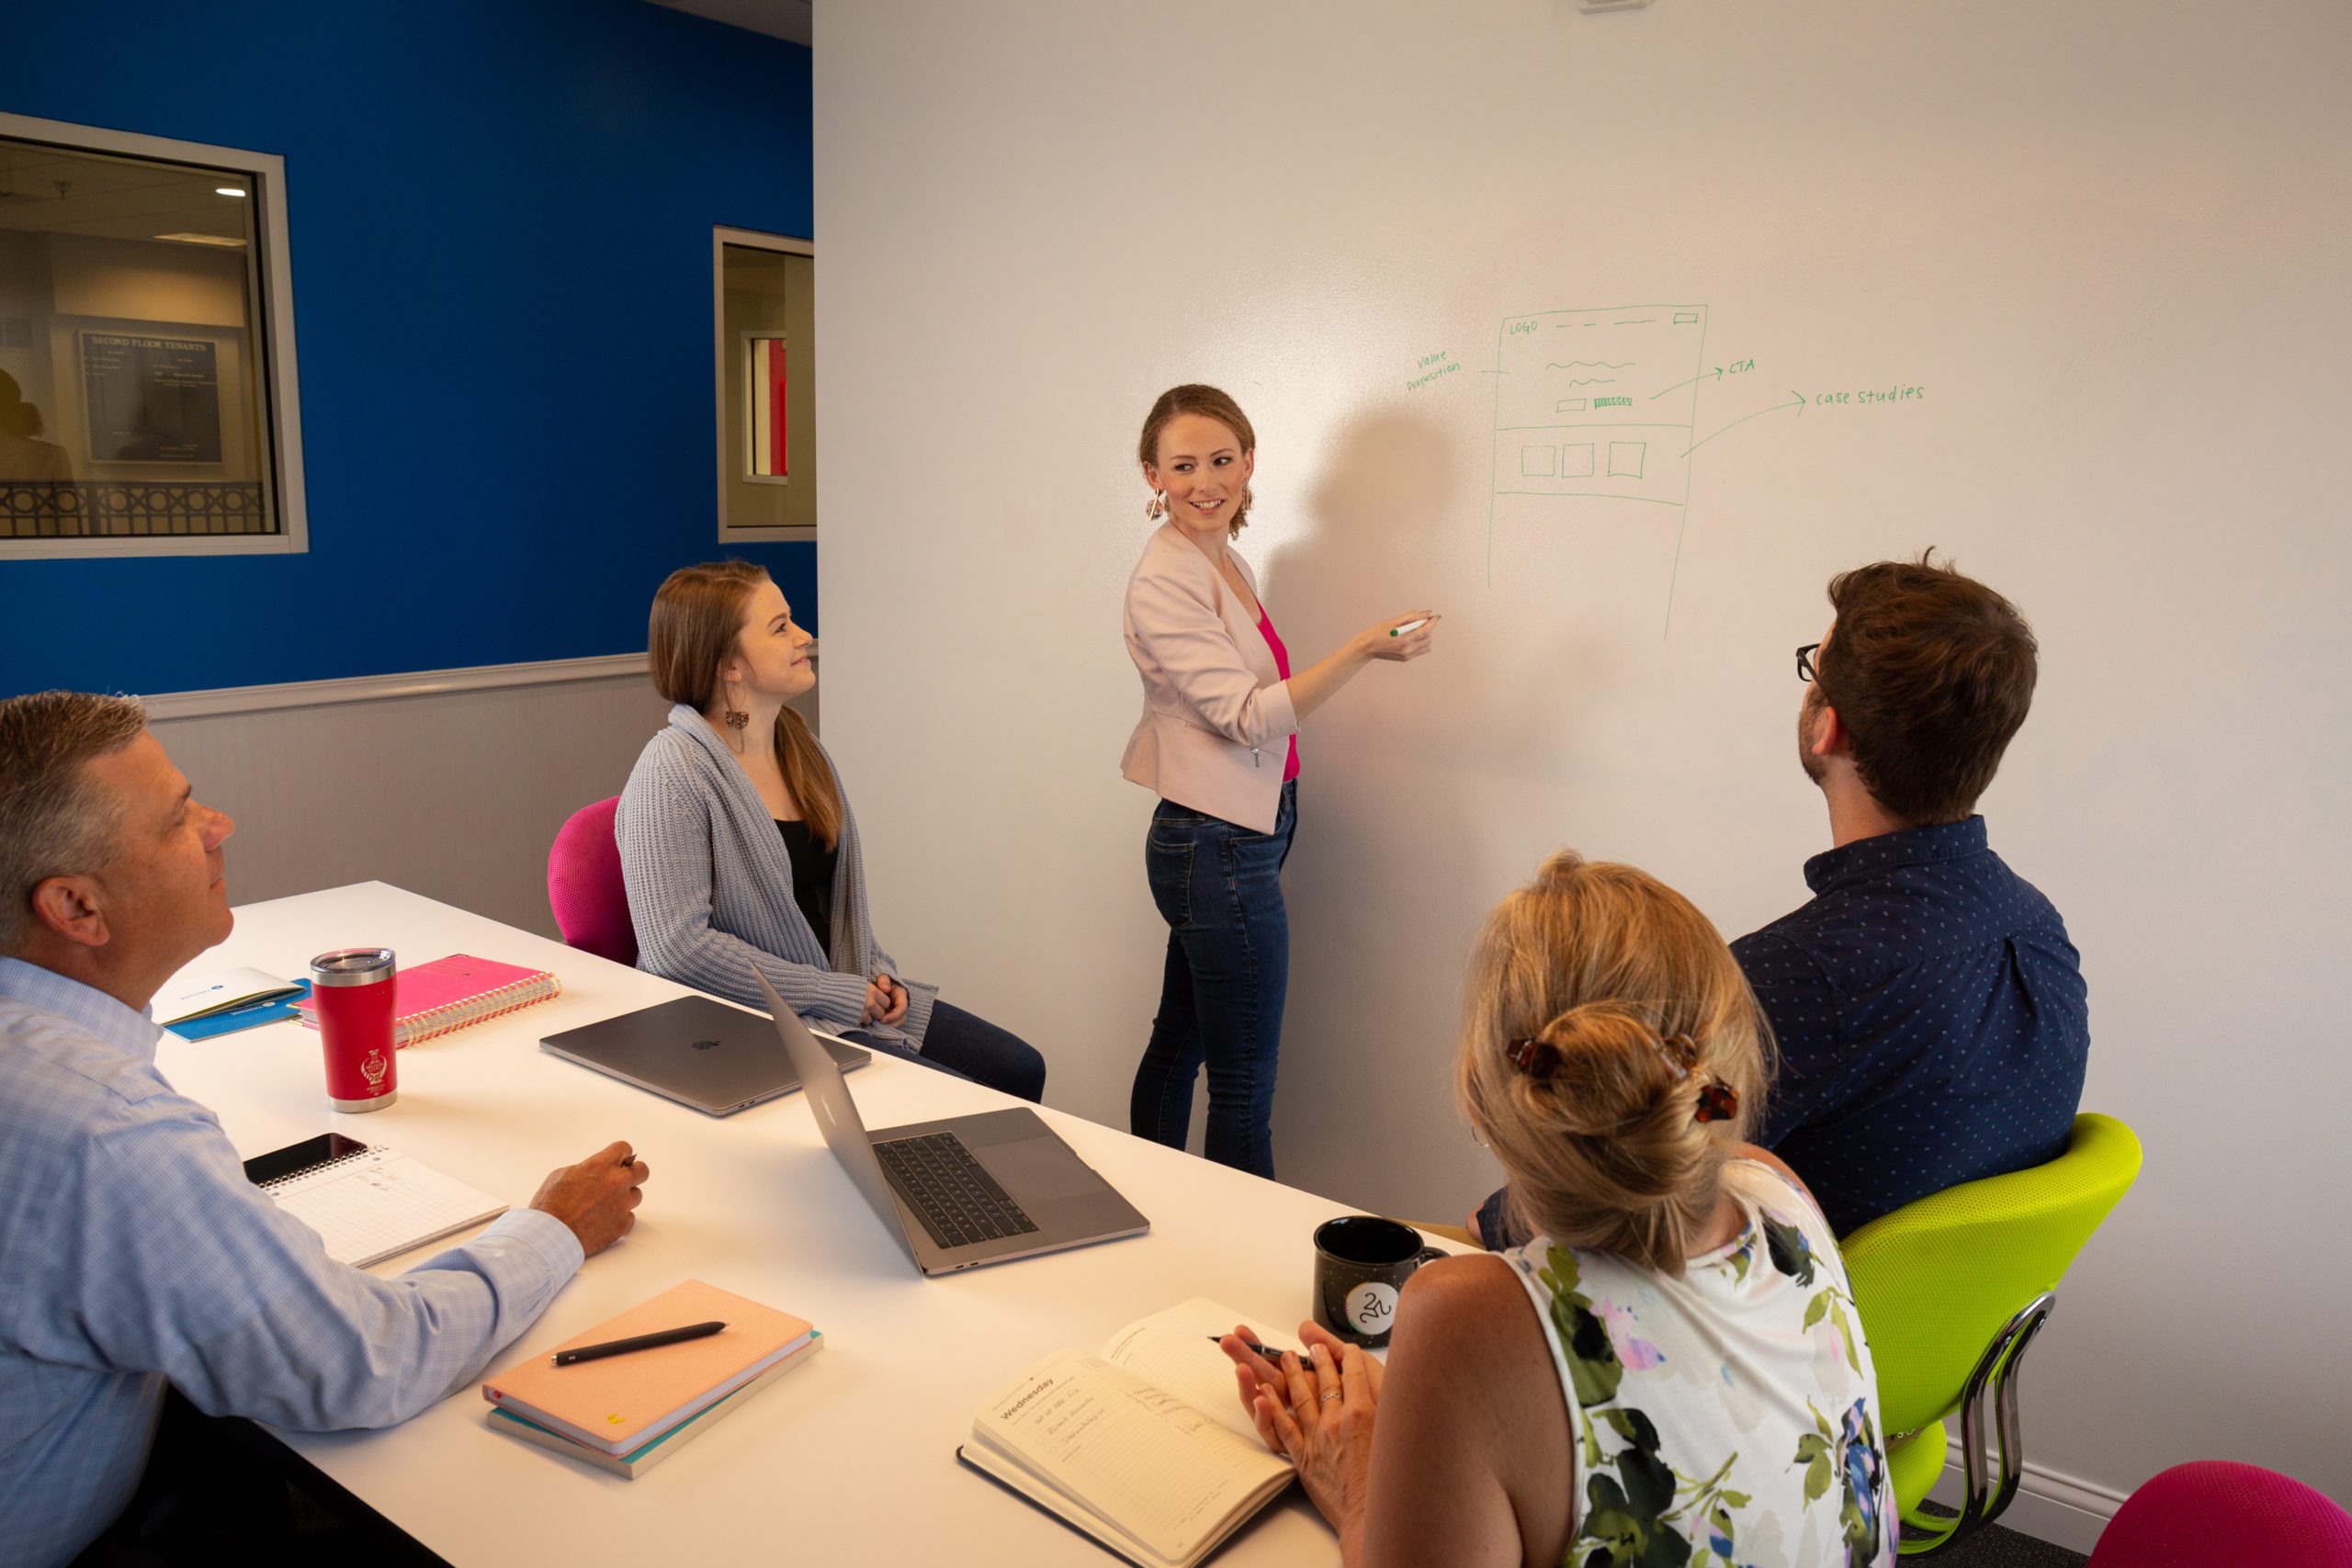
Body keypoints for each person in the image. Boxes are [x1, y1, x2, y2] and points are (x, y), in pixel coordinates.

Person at [0, 692, 650, 1568]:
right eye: (176, 819)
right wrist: (555, 1228)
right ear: (77, 908)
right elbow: (367, 1362)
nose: (218, 824)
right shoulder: (106, 1135)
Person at [1221, 852, 1896, 1568]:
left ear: (1477, 1093)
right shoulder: (1780, 1193)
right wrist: (1436, 1429)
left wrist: (1358, 1483)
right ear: (1724, 1084)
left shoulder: (1465, 1320)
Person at [1473, 550, 2087, 1245]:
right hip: (1913, 1343)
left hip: (1766, 1345)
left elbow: (1614, 1188)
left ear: (1831, 728)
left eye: (1812, 670)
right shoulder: (2039, 931)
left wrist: (1479, 1231)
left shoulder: (1803, 977)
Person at [1121, 383, 1436, 1179]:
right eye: (1183, 464)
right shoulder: (1165, 576)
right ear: (1152, 475)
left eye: (1222, 460)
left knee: (1182, 1042)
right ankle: (1237, 1256)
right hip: (1216, 844)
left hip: (1236, 834)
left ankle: (1146, 1199)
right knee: (1242, 1085)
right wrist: (1362, 649)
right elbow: (1245, 716)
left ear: (1249, 463)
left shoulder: (1224, 558)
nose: (1206, 481)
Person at [617, 560, 1047, 1100]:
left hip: (838, 994)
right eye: (780, 627)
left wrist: (878, 974)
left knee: (1020, 1069)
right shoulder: (671, 770)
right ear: (728, 663)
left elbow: (831, 906)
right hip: (749, 1022)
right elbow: (674, 950)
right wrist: (835, 992)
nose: (804, 635)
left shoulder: (798, 744)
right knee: (970, 1103)